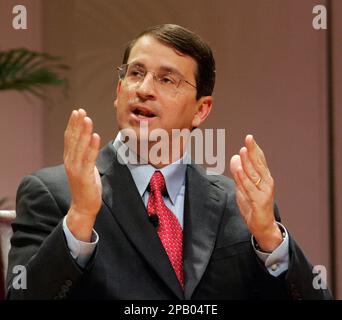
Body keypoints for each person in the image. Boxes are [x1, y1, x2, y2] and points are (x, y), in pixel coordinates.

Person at [6, 24, 331, 300]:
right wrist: (79, 219)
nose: (144, 89)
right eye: (135, 74)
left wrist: (270, 239)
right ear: (119, 90)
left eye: (167, 80)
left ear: (201, 110)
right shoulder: (53, 194)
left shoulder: (241, 207)